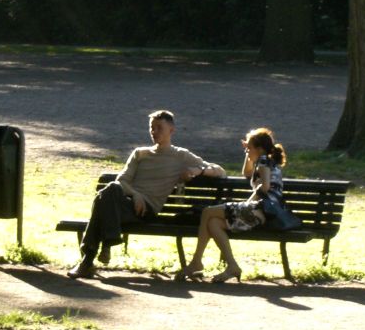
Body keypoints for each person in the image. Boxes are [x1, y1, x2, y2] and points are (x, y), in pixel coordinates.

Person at [66, 110, 226, 279]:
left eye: (159, 128)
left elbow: (220, 171)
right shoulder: (140, 153)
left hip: (146, 210)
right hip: (126, 205)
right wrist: (136, 195)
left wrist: (198, 170)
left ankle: (89, 259)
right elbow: (122, 181)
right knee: (109, 191)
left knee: (103, 199)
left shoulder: (181, 156)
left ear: (171, 130)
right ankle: (106, 243)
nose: (154, 132)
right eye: (152, 128)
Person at [177, 127, 292, 284]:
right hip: (263, 211)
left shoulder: (264, 161)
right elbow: (246, 172)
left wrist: (248, 202)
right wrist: (248, 153)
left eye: (249, 148)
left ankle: (196, 261)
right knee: (213, 223)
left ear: (259, 149)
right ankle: (232, 266)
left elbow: (264, 187)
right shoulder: (265, 160)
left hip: (260, 209)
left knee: (207, 212)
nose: (247, 151)